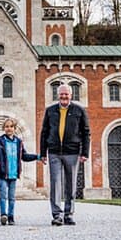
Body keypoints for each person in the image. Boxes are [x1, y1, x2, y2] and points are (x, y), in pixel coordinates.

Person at [39, 83, 90, 226]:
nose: (64, 96)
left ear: (71, 95)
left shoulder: (79, 110)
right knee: (55, 183)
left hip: (72, 152)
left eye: (66, 94)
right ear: (57, 95)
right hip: (54, 152)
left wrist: (84, 152)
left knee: (71, 184)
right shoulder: (50, 111)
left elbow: (86, 132)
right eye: (61, 94)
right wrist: (43, 153)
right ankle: (57, 215)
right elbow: (44, 132)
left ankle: (69, 214)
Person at [0, 118, 38, 226]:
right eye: (7, 127)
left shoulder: (19, 142)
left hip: (14, 174)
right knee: (3, 195)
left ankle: (11, 216)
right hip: (3, 173)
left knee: (12, 197)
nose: (9, 129)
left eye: (11, 126)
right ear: (4, 128)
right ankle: (3, 215)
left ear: (14, 128)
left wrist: (38, 157)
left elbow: (24, 156)